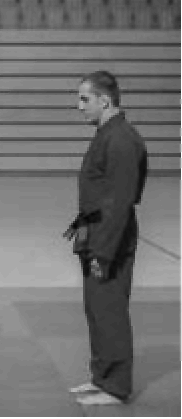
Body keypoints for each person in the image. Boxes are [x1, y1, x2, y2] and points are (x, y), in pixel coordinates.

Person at [64, 70, 147, 405]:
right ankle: (101, 377)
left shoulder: (122, 140)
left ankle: (116, 386)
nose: (79, 106)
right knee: (97, 309)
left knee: (110, 310)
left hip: (110, 239)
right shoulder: (106, 134)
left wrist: (103, 251)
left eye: (85, 99)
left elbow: (120, 201)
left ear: (105, 100)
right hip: (95, 234)